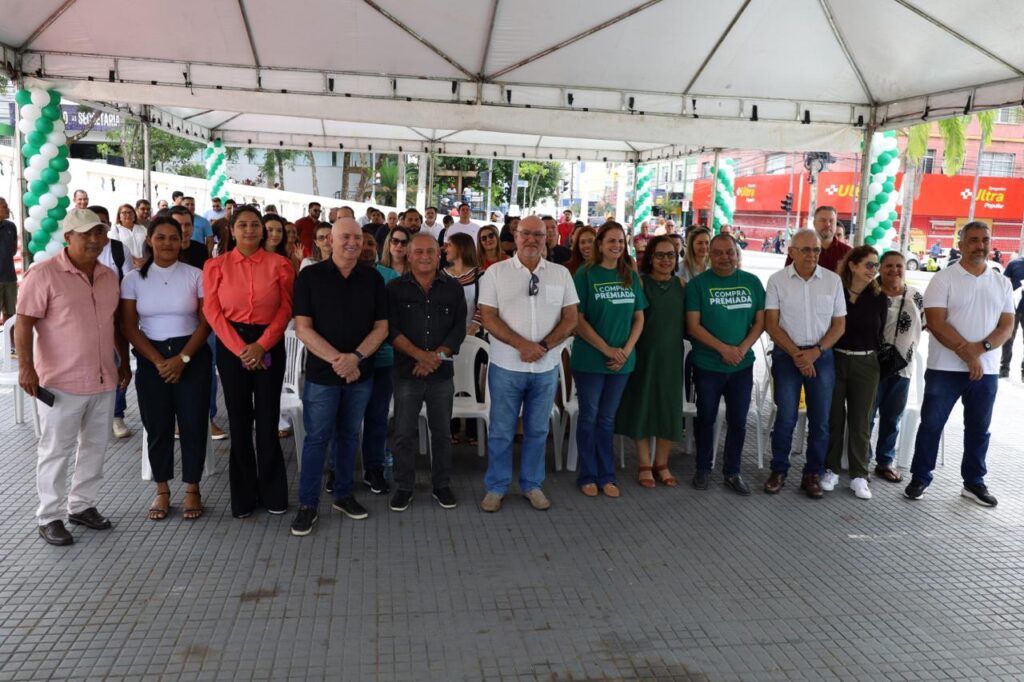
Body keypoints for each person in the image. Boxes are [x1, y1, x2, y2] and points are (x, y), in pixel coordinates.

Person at [16, 208, 131, 546]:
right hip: (60, 382)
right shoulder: (43, 274)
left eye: (100, 232)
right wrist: (26, 367)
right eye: (86, 234)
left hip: (103, 378)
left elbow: (115, 324)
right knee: (56, 450)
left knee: (95, 447)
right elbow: (23, 323)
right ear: (68, 237)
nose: (95, 239)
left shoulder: (108, 276)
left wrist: (124, 361)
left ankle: (82, 506)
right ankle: (49, 516)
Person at [289, 218, 388, 537]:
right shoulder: (310, 276)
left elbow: (382, 327)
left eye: (357, 237)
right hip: (322, 376)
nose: (352, 242)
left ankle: (343, 495)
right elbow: (303, 328)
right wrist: (339, 360)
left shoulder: (372, 278)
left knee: (348, 435)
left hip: (361, 373)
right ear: (330, 241)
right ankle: (308, 504)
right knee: (317, 438)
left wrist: (355, 358)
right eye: (345, 236)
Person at [905, 222, 1014, 506]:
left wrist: (980, 350)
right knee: (932, 424)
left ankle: (973, 482)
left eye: (985, 240)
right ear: (961, 244)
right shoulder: (943, 279)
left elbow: (1006, 326)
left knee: (979, 429)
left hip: (986, 371)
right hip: (944, 369)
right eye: (974, 240)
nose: (980, 245)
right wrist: (969, 355)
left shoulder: (1002, 282)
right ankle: (920, 477)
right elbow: (936, 323)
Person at [477, 216, 579, 512]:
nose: (532, 239)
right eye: (526, 234)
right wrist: (522, 345)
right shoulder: (496, 273)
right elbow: (488, 317)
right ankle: (496, 487)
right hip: (506, 367)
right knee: (501, 431)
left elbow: (570, 318)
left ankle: (532, 485)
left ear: (548, 237)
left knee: (537, 431)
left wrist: (543, 347)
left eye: (538, 234)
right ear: (516, 235)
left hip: (545, 368)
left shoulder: (560, 274)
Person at [203, 205, 294, 518]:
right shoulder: (215, 266)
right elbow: (212, 311)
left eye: (255, 224)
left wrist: (262, 345)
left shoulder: (280, 264)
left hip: (269, 342)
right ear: (232, 229)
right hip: (233, 345)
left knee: (268, 420)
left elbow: (286, 308)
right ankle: (243, 497)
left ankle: (273, 493)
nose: (250, 230)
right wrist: (242, 349)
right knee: (240, 421)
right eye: (242, 225)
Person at [120, 216, 211, 520]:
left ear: (182, 241)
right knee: (157, 426)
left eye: (174, 237)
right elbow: (128, 327)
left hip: (191, 355)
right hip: (152, 358)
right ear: (149, 241)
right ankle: (162, 489)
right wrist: (159, 361)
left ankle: (192, 488)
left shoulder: (196, 275)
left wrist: (182, 359)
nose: (168, 243)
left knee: (192, 424)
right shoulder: (133, 279)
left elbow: (206, 322)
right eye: (161, 237)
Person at [387, 234, 468, 512]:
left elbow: (458, 329)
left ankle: (441, 485)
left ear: (439, 255)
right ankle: (404, 486)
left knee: (442, 433)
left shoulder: (453, 288)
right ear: (408, 255)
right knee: (403, 433)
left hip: (441, 373)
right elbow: (391, 329)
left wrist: (436, 357)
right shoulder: (394, 289)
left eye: (430, 251)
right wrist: (420, 356)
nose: (424, 256)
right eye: (418, 251)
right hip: (406, 372)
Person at [763, 229, 846, 498]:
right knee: (786, 417)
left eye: (816, 250)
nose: (812, 255)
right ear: (791, 251)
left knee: (820, 419)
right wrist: (799, 355)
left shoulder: (833, 281)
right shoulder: (777, 281)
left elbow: (839, 325)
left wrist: (815, 353)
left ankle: (812, 473)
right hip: (787, 356)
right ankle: (779, 469)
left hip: (821, 357)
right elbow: (771, 324)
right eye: (806, 249)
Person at [685, 234, 765, 495]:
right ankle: (703, 469)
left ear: (736, 253)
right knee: (706, 418)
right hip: (708, 366)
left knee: (738, 421)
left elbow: (761, 322)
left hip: (742, 366)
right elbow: (693, 326)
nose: (724, 257)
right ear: (710, 254)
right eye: (718, 252)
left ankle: (732, 472)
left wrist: (741, 350)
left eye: (729, 252)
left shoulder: (752, 282)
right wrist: (724, 349)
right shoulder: (698, 285)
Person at [571, 222, 647, 498]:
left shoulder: (630, 275)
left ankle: (607, 475)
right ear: (600, 245)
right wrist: (606, 350)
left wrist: (625, 350)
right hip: (591, 360)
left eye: (621, 241)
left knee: (607, 419)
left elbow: (639, 317)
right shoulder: (585, 274)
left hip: (622, 362)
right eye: (611, 241)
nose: (617, 246)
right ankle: (588, 475)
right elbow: (578, 320)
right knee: (589, 417)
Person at [614, 236, 684, 488]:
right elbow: (631, 318)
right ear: (650, 258)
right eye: (660, 255)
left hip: (671, 357)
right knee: (642, 406)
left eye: (670, 255)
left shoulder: (682, 285)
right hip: (643, 354)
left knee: (668, 408)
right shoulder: (640, 283)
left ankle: (661, 463)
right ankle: (644, 463)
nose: (666, 260)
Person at [821, 246, 887, 500]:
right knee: (834, 417)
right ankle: (831, 469)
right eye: (869, 264)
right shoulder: (835, 291)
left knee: (861, 420)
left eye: (876, 265)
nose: (873, 270)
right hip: (835, 359)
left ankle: (859, 474)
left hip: (866, 363)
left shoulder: (878, 296)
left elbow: (880, 333)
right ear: (852, 265)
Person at [867, 251, 923, 482]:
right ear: (880, 268)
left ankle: (885, 462)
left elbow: (924, 324)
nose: (894, 270)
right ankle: (862, 461)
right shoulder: (870, 293)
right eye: (888, 265)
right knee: (867, 416)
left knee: (892, 417)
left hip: (902, 367)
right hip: (872, 365)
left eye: (899, 266)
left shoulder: (915, 295)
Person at [785, 206, 850, 273]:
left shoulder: (848, 252)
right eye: (823, 220)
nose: (827, 224)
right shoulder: (798, 248)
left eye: (831, 221)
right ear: (814, 223)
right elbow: (786, 275)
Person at [999, 251, 1024, 379]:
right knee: (1008, 337)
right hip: (1013, 308)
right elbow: (1005, 284)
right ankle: (1004, 368)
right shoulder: (1014, 264)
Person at [168, 206, 209, 272]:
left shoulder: (201, 249)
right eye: (178, 225)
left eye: (187, 225)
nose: (184, 230)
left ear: (192, 227)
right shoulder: (162, 251)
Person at [109, 204, 147, 269]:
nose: (128, 215)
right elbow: (115, 250)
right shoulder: (115, 230)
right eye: (124, 213)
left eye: (130, 212)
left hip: (145, 265)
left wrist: (145, 260)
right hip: (127, 266)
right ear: (119, 216)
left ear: (134, 215)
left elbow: (149, 245)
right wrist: (135, 260)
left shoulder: (142, 228)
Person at [0, 198, 16, 329]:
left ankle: (9, 341)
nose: (8, 209)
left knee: (10, 314)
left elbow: (14, 250)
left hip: (10, 277)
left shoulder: (11, 226)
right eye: (4, 207)